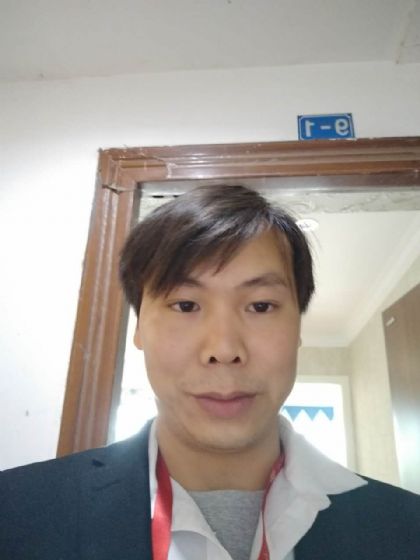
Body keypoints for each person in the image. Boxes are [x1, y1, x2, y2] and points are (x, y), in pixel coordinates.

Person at [0, 185, 419, 560]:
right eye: (185, 305)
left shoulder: (406, 528)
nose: (224, 350)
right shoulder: (16, 514)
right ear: (139, 328)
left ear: (297, 328)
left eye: (261, 306)